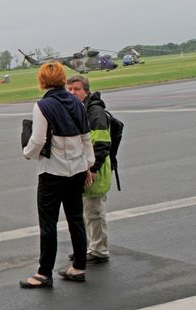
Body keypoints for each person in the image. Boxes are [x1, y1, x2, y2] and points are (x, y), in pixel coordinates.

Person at [20, 62, 94, 289]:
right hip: (77, 169)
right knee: (75, 218)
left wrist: (27, 153)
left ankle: (44, 272)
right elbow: (85, 136)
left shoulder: (43, 105)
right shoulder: (76, 102)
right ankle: (79, 267)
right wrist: (88, 164)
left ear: (42, 80)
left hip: (52, 172)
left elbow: (39, 139)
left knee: (48, 223)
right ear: (63, 78)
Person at [67, 75, 112, 264]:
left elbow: (102, 143)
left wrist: (93, 168)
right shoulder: (80, 109)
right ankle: (91, 246)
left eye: (76, 89)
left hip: (96, 169)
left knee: (94, 210)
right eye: (69, 90)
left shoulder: (95, 112)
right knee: (87, 210)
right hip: (84, 167)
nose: (72, 93)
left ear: (86, 90)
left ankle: (100, 250)